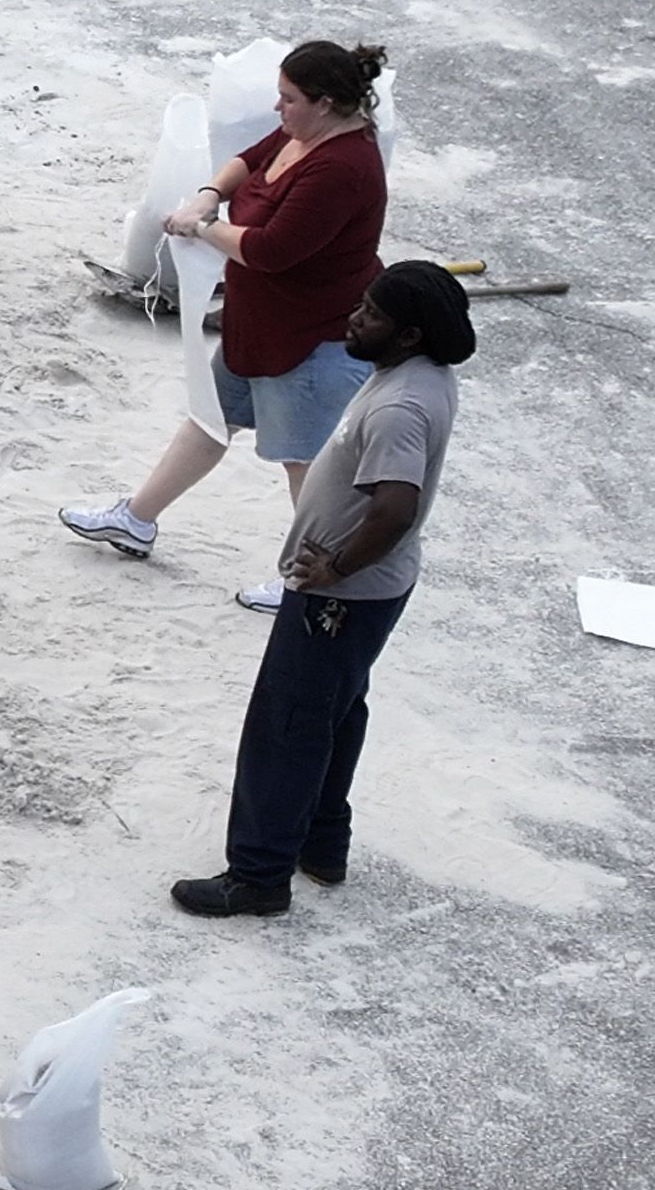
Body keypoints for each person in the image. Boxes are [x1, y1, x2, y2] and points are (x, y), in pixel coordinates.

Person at [178, 262, 473, 919]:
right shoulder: (422, 377)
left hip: (342, 598)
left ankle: (257, 874)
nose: (354, 318)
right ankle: (320, 842)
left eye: (370, 313)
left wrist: (335, 567)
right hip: (370, 593)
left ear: (409, 335)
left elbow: (395, 507)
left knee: (285, 728)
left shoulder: (399, 406)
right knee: (335, 713)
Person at [63, 40, 392, 608]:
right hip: (260, 323)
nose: (277, 109)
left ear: (327, 103)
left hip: (311, 338)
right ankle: (136, 520)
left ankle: (309, 578)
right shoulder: (306, 132)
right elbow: (252, 157)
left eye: (288, 99)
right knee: (209, 420)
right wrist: (210, 194)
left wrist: (200, 226)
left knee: (306, 465)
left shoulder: (344, 167)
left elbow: (271, 250)